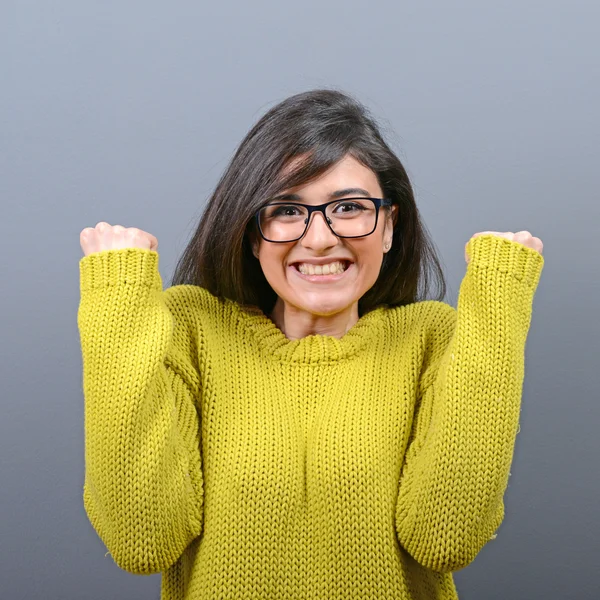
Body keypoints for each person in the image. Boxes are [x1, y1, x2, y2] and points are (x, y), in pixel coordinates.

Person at [78, 89, 544, 600]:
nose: (320, 238)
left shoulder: (430, 340)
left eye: (348, 207)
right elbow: (142, 540)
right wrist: (117, 294)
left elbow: (445, 539)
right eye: (286, 210)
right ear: (251, 233)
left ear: (389, 226)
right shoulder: (192, 332)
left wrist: (499, 298)